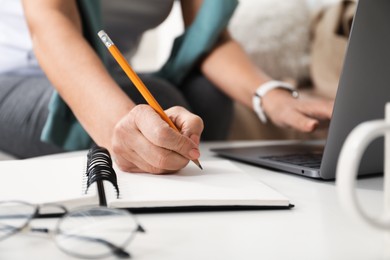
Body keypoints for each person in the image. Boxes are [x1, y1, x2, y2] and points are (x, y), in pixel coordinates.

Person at [0, 0, 333, 174]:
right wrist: (123, 125)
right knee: (161, 100)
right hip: (16, 76)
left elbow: (208, 35)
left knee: (207, 97)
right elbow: (51, 24)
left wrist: (271, 96)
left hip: (106, 70)